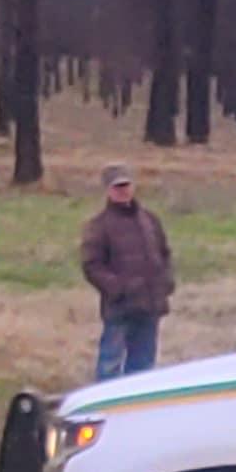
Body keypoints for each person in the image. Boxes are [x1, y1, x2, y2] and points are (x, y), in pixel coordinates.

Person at [80, 162, 176, 380]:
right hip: (120, 308)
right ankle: (104, 405)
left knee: (143, 365)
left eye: (126, 185)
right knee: (110, 364)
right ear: (108, 190)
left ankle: (136, 408)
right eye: (117, 187)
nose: (123, 191)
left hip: (150, 304)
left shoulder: (150, 220)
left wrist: (166, 282)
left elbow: (165, 253)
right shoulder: (99, 225)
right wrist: (118, 289)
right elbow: (91, 265)